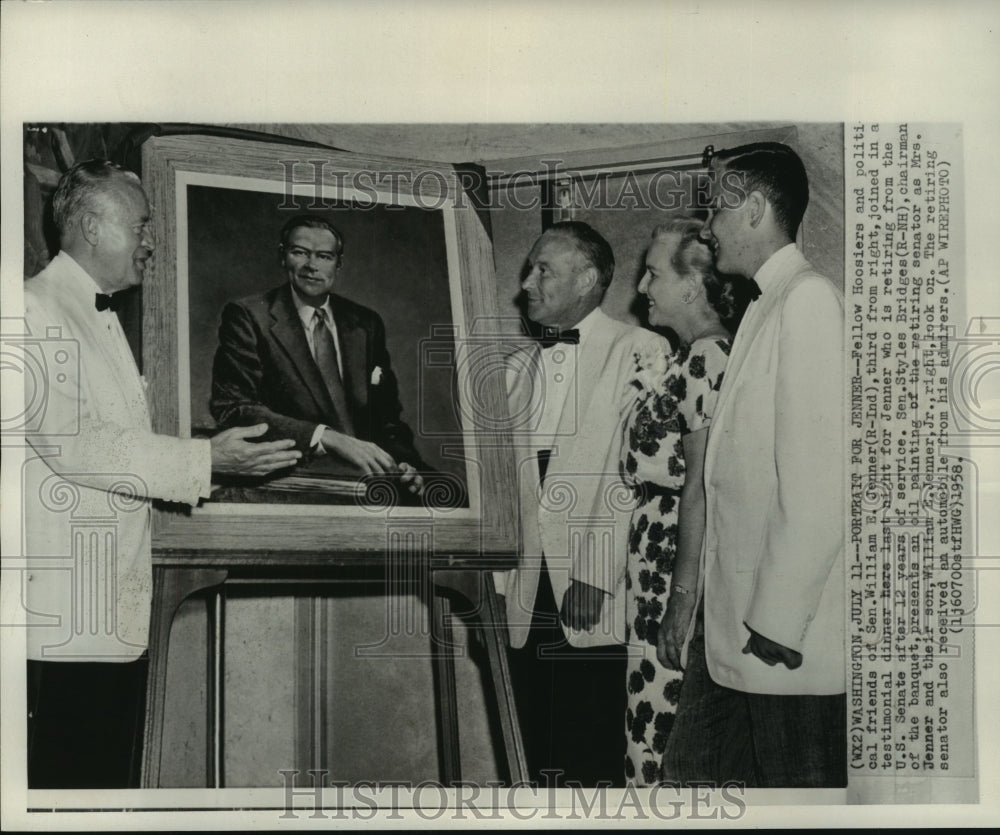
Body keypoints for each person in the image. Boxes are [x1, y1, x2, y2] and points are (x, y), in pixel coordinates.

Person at [21, 159, 301, 788]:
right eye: (142, 224)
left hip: (108, 620)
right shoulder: (29, 307)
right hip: (60, 628)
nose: (152, 240)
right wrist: (205, 460)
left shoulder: (97, 315)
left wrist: (216, 459)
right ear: (93, 226)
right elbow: (73, 442)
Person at [660, 142, 846, 787]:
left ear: (757, 209)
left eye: (716, 208)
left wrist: (776, 621)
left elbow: (820, 484)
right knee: (689, 789)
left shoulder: (808, 300)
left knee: (800, 802)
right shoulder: (766, 305)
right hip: (731, 634)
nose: (707, 228)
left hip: (776, 642)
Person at [494, 221, 668, 787]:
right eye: (529, 269)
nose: (527, 283)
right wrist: (495, 582)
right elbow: (504, 481)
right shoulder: (516, 368)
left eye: (543, 269)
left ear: (588, 278)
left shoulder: (639, 347)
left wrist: (595, 574)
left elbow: (632, 476)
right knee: (532, 746)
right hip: (523, 585)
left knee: (588, 751)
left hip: (591, 580)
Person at [619, 218, 754, 786]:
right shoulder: (688, 356)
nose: (643, 289)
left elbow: (700, 485)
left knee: (660, 731)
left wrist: (681, 599)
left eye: (653, 275)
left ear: (691, 287)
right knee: (647, 718)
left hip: (675, 557)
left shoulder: (709, 357)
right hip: (655, 556)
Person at [210, 214, 424, 496]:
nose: (312, 266)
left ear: (339, 263)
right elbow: (234, 407)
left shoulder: (366, 323)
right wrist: (326, 437)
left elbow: (386, 418)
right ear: (282, 256)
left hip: (367, 477)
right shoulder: (248, 315)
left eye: (324, 256)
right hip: (294, 474)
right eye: (299, 252)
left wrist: (403, 463)